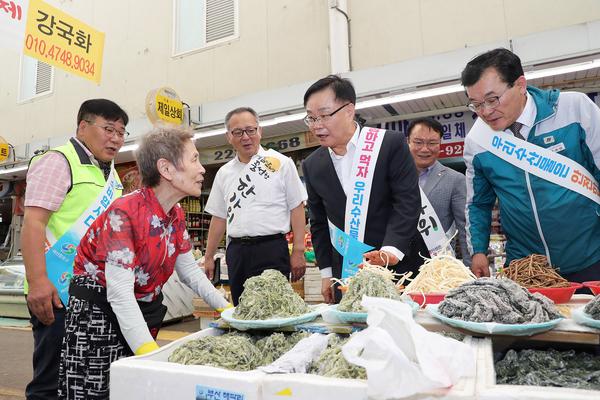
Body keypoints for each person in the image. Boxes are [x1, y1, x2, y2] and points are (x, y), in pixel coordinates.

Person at [57, 127, 230, 399]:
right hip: (98, 314)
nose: (202, 169)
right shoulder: (124, 213)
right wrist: (150, 354)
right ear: (167, 169)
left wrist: (227, 308)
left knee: (131, 390)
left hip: (136, 310)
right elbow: (120, 294)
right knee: (96, 391)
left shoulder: (175, 214)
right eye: (194, 159)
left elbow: (190, 274)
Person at [462, 48, 600, 281]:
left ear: (520, 84)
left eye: (492, 99)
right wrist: (478, 250)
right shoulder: (478, 141)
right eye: (475, 104)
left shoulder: (573, 110)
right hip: (526, 268)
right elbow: (478, 203)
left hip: (590, 258)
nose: (485, 112)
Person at [22, 99, 128, 400]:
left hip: (93, 295)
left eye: (121, 132)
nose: (116, 139)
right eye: (109, 129)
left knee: (82, 379)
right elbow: (33, 224)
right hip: (58, 294)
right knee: (51, 382)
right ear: (83, 127)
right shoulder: (59, 161)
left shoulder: (110, 173)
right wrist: (39, 282)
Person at [302, 75, 429, 303]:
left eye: (324, 115)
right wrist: (326, 274)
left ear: (349, 110)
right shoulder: (312, 165)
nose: (317, 125)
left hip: (399, 264)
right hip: (348, 271)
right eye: (311, 118)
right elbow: (319, 223)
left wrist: (390, 252)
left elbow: (407, 202)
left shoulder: (388, 144)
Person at [203, 107, 307, 305]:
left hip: (272, 249)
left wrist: (299, 251)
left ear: (260, 131)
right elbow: (218, 217)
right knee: (243, 310)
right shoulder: (224, 173)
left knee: (275, 309)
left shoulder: (280, 163)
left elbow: (297, 207)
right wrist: (208, 257)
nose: (246, 137)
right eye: (238, 132)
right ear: (229, 136)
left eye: (250, 130)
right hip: (237, 252)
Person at [407, 117, 471, 266]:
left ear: (440, 144)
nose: (425, 149)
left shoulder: (455, 180)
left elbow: (465, 227)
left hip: (437, 266)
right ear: (408, 142)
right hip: (395, 265)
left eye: (432, 143)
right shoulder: (391, 176)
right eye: (418, 142)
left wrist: (470, 266)